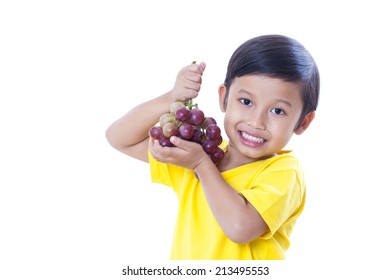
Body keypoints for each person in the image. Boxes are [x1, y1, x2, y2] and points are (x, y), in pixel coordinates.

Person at [105, 34, 320, 260]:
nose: (256, 122)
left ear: (303, 122)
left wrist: (201, 164)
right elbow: (119, 137)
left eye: (277, 111)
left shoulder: (284, 172)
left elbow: (240, 227)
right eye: (246, 102)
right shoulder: (199, 153)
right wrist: (171, 98)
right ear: (224, 98)